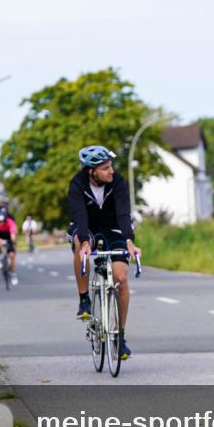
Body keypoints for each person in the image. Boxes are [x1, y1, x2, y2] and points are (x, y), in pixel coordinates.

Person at [67, 145, 140, 360]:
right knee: (81, 244)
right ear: (92, 171)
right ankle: (84, 300)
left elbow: (124, 213)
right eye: (106, 168)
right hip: (87, 226)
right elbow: (80, 215)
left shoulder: (117, 182)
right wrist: (85, 241)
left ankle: (120, 336)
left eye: (111, 166)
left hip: (114, 227)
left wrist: (128, 240)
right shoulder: (77, 184)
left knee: (120, 278)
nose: (112, 171)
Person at [0, 206, 19, 286]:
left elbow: (13, 234)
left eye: (3, 221)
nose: (2, 223)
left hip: (8, 235)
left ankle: (13, 275)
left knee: (12, 256)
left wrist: (13, 242)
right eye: (0, 221)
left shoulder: (10, 222)